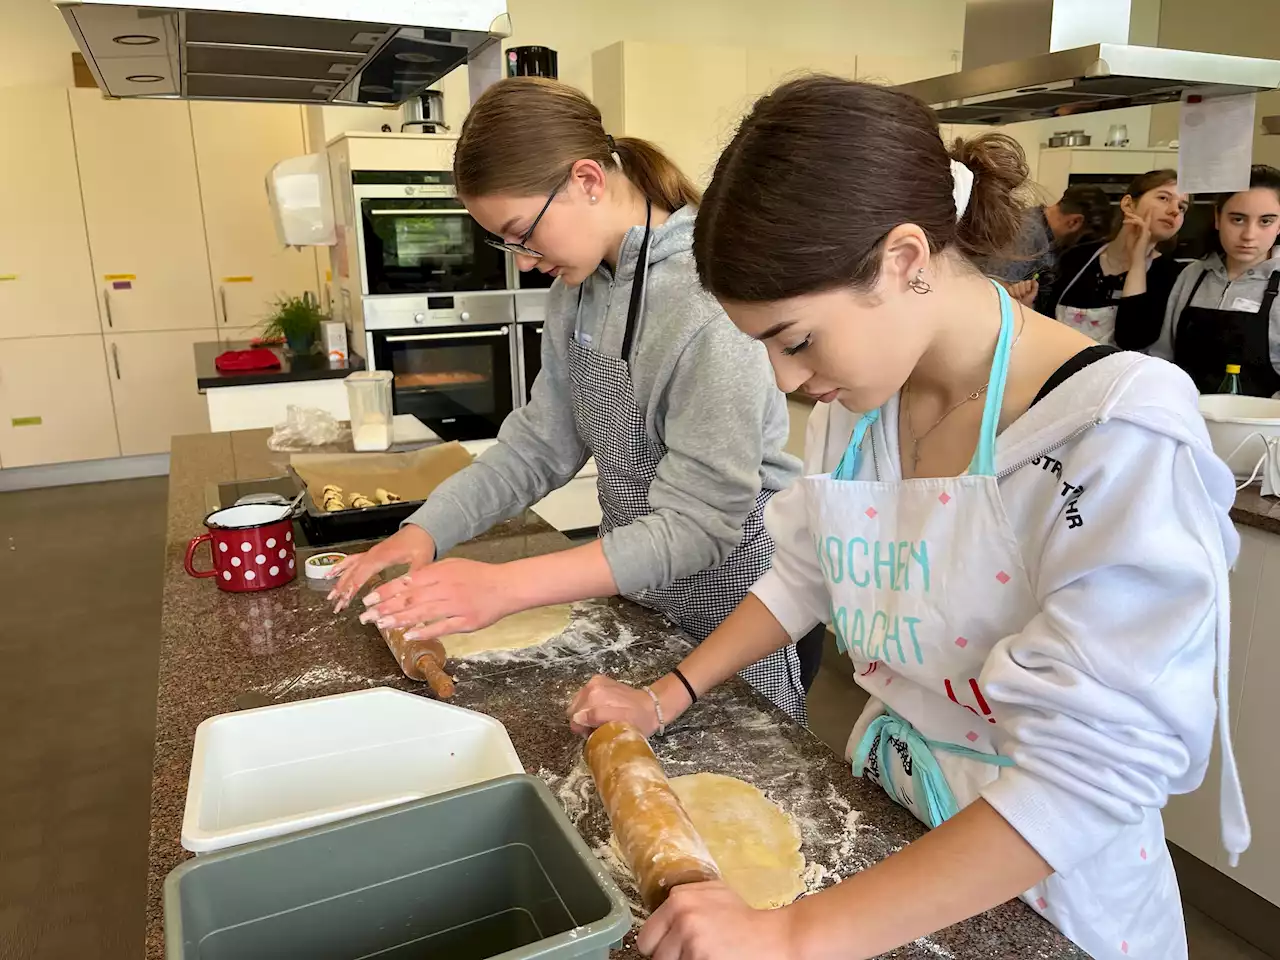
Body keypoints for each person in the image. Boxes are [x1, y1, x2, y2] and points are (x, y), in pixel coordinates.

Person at [567, 76, 1248, 960]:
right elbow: (809, 570)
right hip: (893, 831)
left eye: (796, 339)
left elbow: (1089, 776)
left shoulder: (1114, 430)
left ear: (904, 259)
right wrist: (668, 693)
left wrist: (793, 936)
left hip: (1052, 899)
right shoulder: (864, 405)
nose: (784, 380)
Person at [327, 77, 819, 720]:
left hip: (739, 610)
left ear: (588, 179)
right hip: (642, 590)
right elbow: (542, 441)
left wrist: (505, 586)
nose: (524, 261)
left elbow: (700, 527)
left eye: (522, 233)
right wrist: (427, 529)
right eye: (507, 244)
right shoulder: (583, 283)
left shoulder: (708, 302)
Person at [1143, 164, 1280, 395]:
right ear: (1218, 218)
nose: (1249, 235)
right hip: (1185, 417)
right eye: (1237, 219)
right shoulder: (1193, 275)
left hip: (1260, 426)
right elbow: (1162, 357)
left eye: (1265, 221)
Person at [1042, 170, 1188, 346]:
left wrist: (1137, 263)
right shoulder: (1076, 257)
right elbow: (1044, 323)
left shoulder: (1171, 275)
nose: (1174, 211)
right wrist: (1026, 303)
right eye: (1164, 198)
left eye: (1182, 207)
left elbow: (1131, 338)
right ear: (1128, 204)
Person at [982, 184, 1111, 310]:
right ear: (1074, 222)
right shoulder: (1027, 234)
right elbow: (993, 287)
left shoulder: (1045, 232)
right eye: (1085, 239)